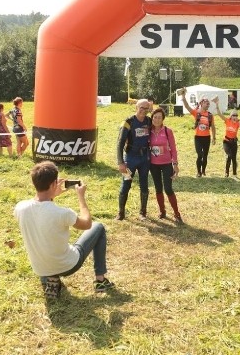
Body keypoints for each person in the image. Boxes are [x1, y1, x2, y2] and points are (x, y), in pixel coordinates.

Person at [13, 160, 114, 299]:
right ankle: (100, 281)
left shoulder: (20, 208)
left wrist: (52, 195)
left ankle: (50, 279)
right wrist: (81, 197)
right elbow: (87, 224)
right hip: (67, 265)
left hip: (41, 268)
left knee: (42, 244)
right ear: (53, 184)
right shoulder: (63, 213)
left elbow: (42, 211)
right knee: (98, 227)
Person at [116, 99, 152, 220]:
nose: (144, 110)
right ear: (136, 107)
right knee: (126, 184)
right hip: (130, 158)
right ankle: (121, 213)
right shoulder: (128, 122)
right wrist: (120, 162)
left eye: (146, 108)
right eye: (141, 107)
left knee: (144, 184)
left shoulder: (149, 121)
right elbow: (120, 143)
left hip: (144, 158)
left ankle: (143, 212)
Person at [148, 107, 183, 223]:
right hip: (153, 164)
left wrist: (175, 164)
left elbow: (173, 148)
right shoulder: (148, 131)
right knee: (158, 188)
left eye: (159, 117)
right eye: (155, 117)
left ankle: (177, 213)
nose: (157, 120)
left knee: (168, 189)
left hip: (166, 163)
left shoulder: (168, 131)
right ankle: (162, 211)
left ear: (163, 119)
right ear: (152, 118)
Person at [179, 87, 216, 177]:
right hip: (198, 138)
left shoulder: (210, 115)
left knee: (205, 155)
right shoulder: (197, 113)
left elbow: (213, 127)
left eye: (208, 103)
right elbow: (187, 106)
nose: (208, 104)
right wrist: (183, 96)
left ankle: (203, 171)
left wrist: (214, 138)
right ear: (201, 103)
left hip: (207, 137)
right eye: (206, 102)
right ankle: (198, 172)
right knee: (200, 155)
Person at [213, 102, 240, 178]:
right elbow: (219, 114)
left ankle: (234, 173)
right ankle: (227, 172)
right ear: (231, 116)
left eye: (236, 115)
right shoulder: (227, 120)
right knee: (229, 155)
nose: (235, 117)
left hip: (234, 142)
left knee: (233, 158)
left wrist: (239, 120)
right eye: (233, 115)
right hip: (226, 142)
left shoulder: (237, 123)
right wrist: (217, 105)